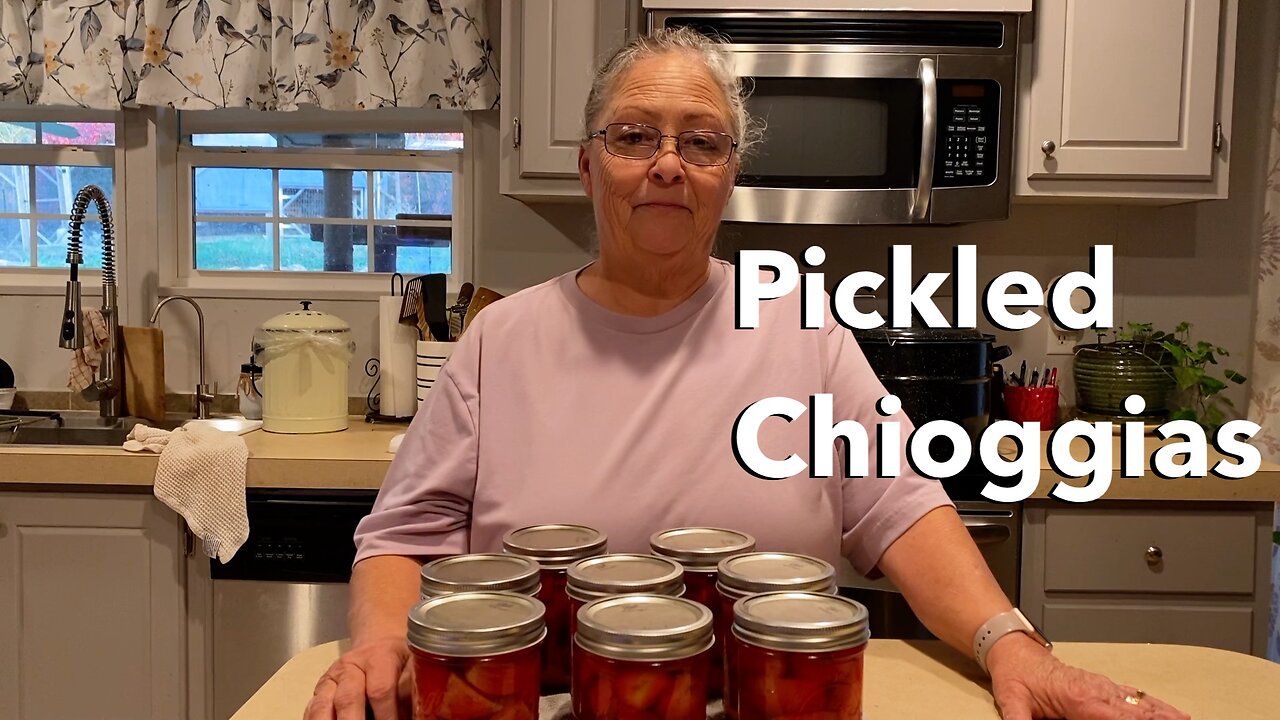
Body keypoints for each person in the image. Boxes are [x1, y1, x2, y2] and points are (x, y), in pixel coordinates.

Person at [305, 27, 1189, 720]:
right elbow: (405, 537)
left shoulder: (801, 326)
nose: (666, 163)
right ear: (585, 166)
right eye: (634, 135)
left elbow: (902, 510)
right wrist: (382, 642)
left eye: (701, 142)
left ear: (729, 177)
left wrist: (1013, 645)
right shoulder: (503, 339)